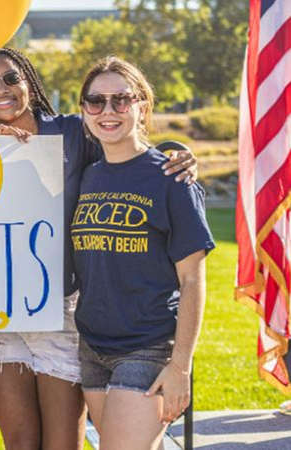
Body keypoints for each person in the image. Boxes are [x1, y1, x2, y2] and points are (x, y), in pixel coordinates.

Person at [0, 47, 197, 450]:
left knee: (63, 442)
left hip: (63, 310)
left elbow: (127, 152)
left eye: (11, 78)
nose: (1, 89)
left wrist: (181, 160)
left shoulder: (74, 131)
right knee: (20, 442)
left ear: (29, 83)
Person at [72, 56, 213, 450]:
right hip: (92, 346)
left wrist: (181, 366)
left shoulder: (171, 178)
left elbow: (192, 280)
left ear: (142, 106)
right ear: (83, 109)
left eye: (121, 99)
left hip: (147, 345)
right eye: (96, 101)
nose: (108, 111)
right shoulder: (87, 174)